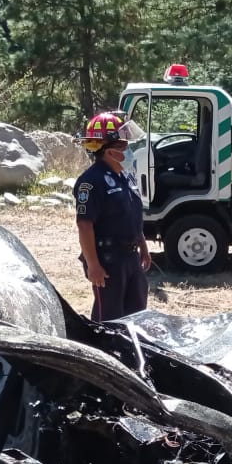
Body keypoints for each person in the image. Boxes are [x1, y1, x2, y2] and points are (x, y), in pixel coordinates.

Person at [74, 112, 152, 322]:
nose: (130, 151)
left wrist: (143, 248)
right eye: (125, 146)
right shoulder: (91, 181)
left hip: (130, 256)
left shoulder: (125, 176)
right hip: (108, 259)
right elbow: (84, 226)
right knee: (109, 317)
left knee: (136, 314)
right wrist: (93, 265)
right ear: (110, 151)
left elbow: (132, 215)